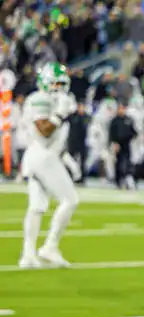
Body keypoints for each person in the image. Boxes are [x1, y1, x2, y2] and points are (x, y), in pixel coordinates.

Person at [18, 62, 79, 269]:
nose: (59, 88)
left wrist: (67, 158)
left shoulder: (51, 100)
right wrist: (59, 115)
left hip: (43, 156)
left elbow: (56, 139)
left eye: (62, 83)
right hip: (41, 155)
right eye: (55, 83)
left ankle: (28, 254)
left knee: (36, 206)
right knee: (70, 200)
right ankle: (50, 246)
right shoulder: (39, 99)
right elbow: (44, 130)